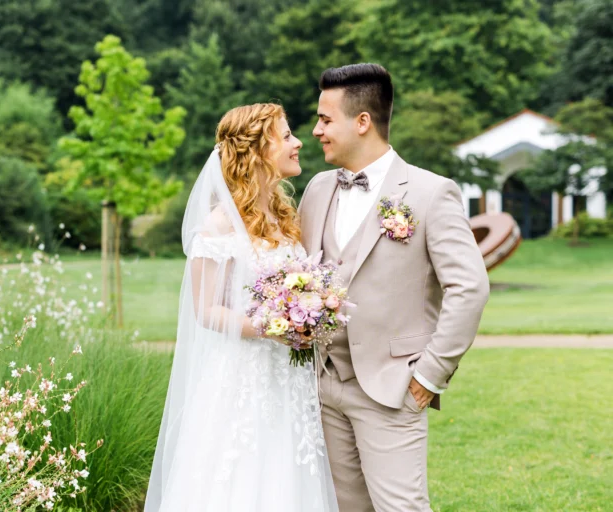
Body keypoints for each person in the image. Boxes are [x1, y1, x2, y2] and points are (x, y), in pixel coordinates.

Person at [298, 63, 490, 511]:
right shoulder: (317, 189)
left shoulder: (430, 192)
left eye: (326, 119)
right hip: (322, 385)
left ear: (362, 121)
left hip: (391, 387)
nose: (316, 130)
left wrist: (429, 374)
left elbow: (469, 288)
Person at [145, 103, 339, 512]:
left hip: (288, 379)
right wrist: (273, 325)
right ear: (257, 150)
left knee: (290, 473)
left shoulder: (286, 217)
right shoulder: (218, 226)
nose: (298, 142)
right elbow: (206, 310)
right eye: (286, 136)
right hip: (243, 378)